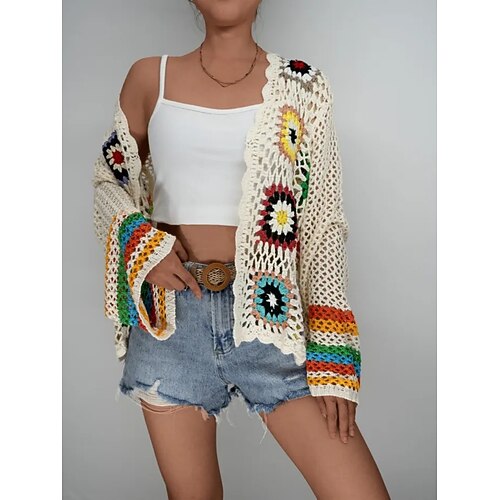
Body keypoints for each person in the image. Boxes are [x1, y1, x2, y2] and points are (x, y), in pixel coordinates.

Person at [92, 0, 391, 498]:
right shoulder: (150, 77)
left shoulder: (303, 86)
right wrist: (141, 243)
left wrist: (333, 354)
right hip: (172, 322)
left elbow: (322, 224)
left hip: (275, 322)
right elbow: (110, 180)